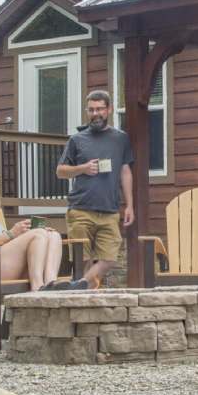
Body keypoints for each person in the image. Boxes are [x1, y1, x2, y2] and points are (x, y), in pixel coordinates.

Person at [56, 90, 134, 289]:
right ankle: (84, 296)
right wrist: (82, 168)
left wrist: (130, 205)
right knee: (83, 260)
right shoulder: (77, 140)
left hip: (110, 210)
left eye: (99, 109)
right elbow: (60, 171)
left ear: (108, 110)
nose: (95, 113)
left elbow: (125, 172)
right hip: (81, 209)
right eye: (91, 109)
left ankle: (79, 286)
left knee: (109, 258)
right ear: (87, 111)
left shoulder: (121, 139)